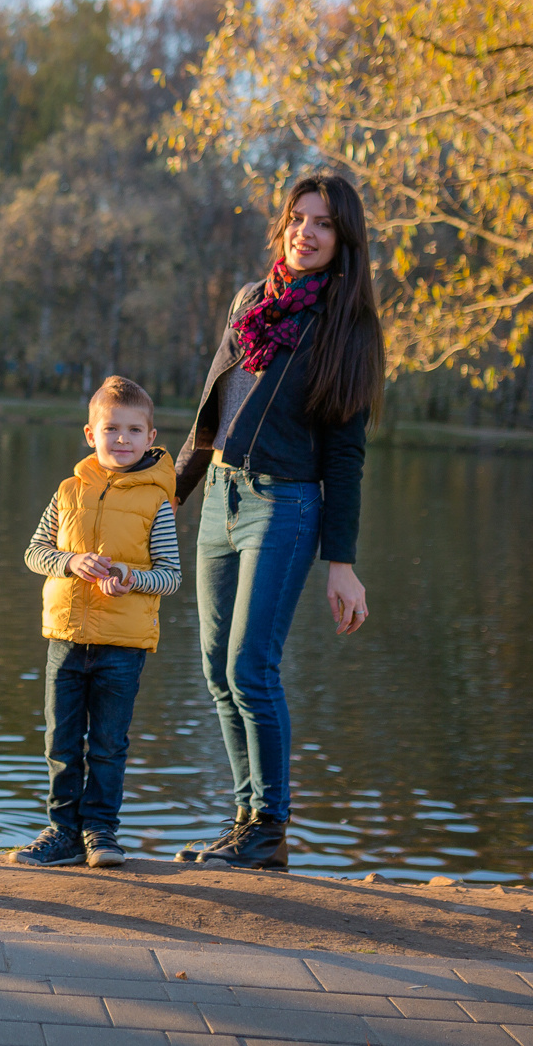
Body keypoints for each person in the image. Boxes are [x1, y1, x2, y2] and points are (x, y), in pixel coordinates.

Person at [171, 172, 385, 871]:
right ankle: (244, 822)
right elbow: (212, 414)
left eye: (323, 223)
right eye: (299, 217)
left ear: (343, 239)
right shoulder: (250, 303)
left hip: (285, 505)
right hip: (222, 499)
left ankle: (270, 827)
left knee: (249, 666)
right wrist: (167, 493)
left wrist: (342, 562)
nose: (307, 232)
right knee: (214, 668)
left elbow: (346, 456)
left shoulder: (346, 329)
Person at [13, 376, 181, 869]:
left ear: (151, 438)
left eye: (134, 430)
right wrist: (70, 562)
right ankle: (62, 831)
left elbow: (170, 577)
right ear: (91, 434)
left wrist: (130, 576)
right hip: (65, 638)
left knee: (108, 744)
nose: (122, 439)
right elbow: (34, 553)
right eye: (112, 429)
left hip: (122, 645)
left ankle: (101, 833)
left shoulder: (157, 502)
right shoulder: (67, 492)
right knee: (61, 741)